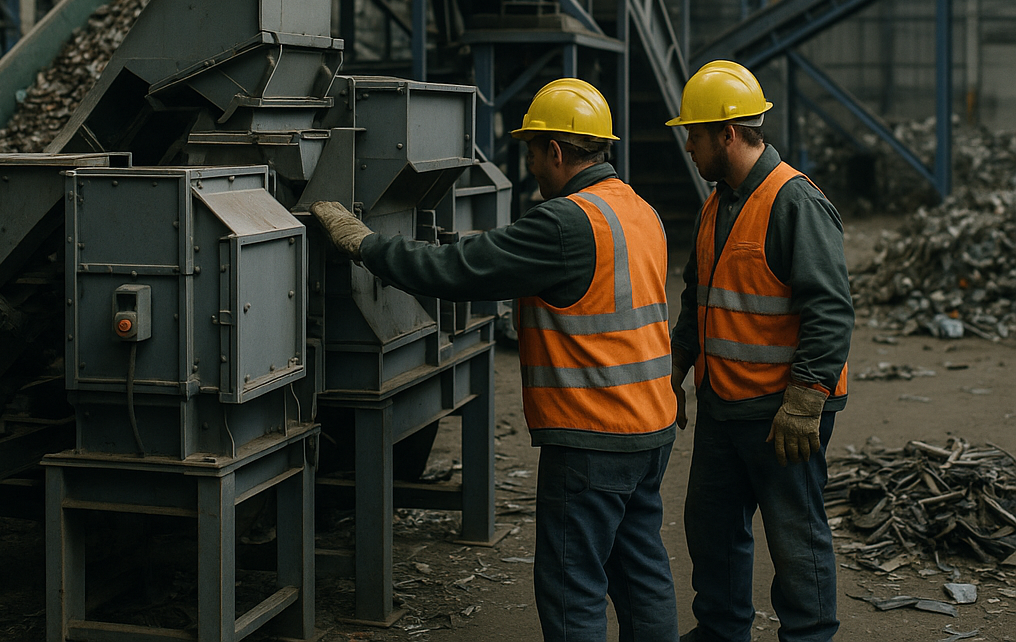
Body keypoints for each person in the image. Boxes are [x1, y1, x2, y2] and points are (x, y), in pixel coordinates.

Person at [311, 77, 680, 642]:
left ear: (555, 151)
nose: (529, 163)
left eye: (532, 150)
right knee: (641, 573)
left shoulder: (563, 223)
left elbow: (451, 273)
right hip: (650, 426)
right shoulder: (640, 211)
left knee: (572, 585)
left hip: (592, 434)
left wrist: (362, 242)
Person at [666, 60, 853, 642]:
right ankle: (721, 631)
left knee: (795, 535)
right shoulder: (717, 203)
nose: (689, 147)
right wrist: (674, 368)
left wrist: (805, 400)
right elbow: (700, 296)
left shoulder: (794, 200)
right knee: (711, 525)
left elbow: (830, 307)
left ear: (727, 133)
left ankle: (809, 635)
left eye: (694, 134)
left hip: (782, 412)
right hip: (725, 404)